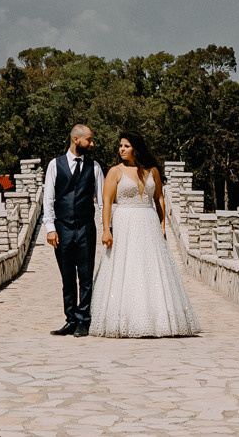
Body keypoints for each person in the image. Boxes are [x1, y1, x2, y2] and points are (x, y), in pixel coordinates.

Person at [89, 130, 201, 338]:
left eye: (126, 146)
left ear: (136, 148)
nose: (121, 149)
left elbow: (159, 198)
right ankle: (125, 317)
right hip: (124, 221)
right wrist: (106, 229)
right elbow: (106, 203)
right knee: (126, 266)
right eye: (120, 145)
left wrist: (162, 225)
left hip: (148, 222)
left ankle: (157, 318)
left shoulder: (153, 171)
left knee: (151, 267)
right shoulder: (115, 171)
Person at [40, 123, 103, 335]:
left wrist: (107, 229)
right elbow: (48, 198)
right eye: (89, 140)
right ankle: (70, 319)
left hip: (86, 227)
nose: (92, 144)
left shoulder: (94, 167)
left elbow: (102, 201)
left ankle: (84, 320)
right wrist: (50, 228)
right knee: (67, 277)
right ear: (76, 139)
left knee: (85, 276)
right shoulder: (54, 165)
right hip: (62, 228)